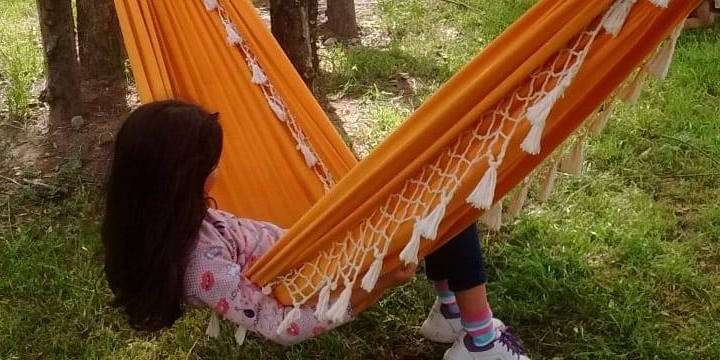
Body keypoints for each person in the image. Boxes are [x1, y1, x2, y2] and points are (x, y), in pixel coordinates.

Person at [102, 100, 529, 359]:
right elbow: (282, 327)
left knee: (432, 185)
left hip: (315, 237)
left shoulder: (176, 219)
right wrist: (374, 283)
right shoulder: (202, 267)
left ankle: (451, 315)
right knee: (442, 196)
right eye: (211, 166)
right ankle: (478, 339)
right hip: (322, 271)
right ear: (181, 180)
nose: (219, 171)